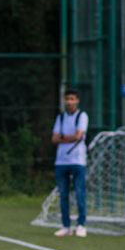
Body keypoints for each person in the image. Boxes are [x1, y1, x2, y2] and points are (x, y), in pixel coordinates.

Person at [51, 88, 89, 237]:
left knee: (80, 192)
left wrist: (63, 137)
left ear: (77, 100)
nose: (69, 102)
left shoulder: (82, 116)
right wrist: (68, 137)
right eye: (67, 99)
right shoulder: (60, 117)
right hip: (61, 161)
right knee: (63, 194)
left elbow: (78, 136)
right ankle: (66, 226)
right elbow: (54, 138)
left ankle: (81, 224)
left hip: (77, 160)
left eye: (72, 99)